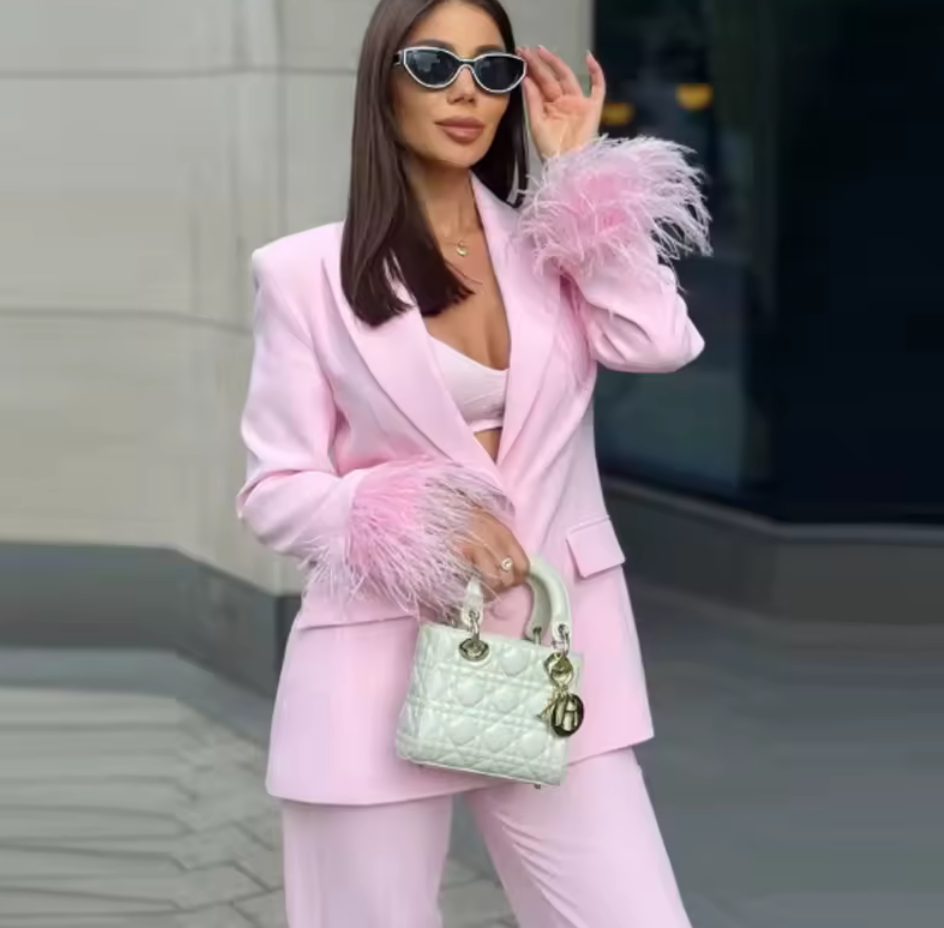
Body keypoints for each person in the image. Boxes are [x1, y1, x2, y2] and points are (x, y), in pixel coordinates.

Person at [236, 0, 710, 924]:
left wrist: (578, 181)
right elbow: (274, 492)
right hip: (371, 668)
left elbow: (660, 341)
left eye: (492, 72)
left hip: (558, 660)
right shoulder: (302, 274)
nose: (466, 93)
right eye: (433, 66)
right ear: (383, 85)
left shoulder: (555, 247)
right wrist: (416, 517)